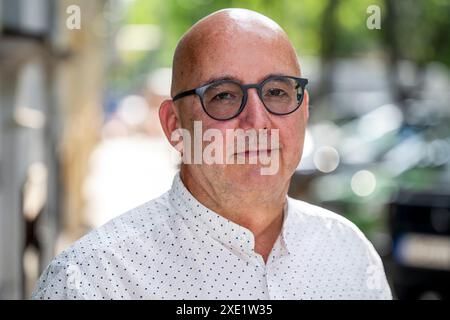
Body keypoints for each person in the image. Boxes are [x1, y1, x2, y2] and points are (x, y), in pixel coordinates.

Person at [32, 8, 392, 300]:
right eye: (223, 95)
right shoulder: (90, 281)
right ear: (174, 125)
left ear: (304, 109)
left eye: (278, 92)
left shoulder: (350, 254)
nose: (257, 121)